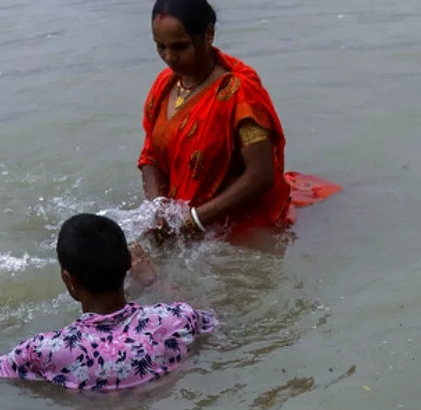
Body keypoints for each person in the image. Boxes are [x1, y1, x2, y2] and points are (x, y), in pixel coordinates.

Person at [0, 213, 216, 391]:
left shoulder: (48, 352)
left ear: (68, 279)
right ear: (129, 264)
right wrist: (154, 282)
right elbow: (210, 316)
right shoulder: (174, 320)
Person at [139, 0, 340, 239]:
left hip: (233, 226)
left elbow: (261, 175)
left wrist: (195, 220)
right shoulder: (165, 84)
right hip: (181, 221)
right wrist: (158, 208)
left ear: (208, 34)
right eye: (160, 47)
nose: (169, 57)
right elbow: (150, 155)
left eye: (180, 47)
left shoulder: (239, 94)